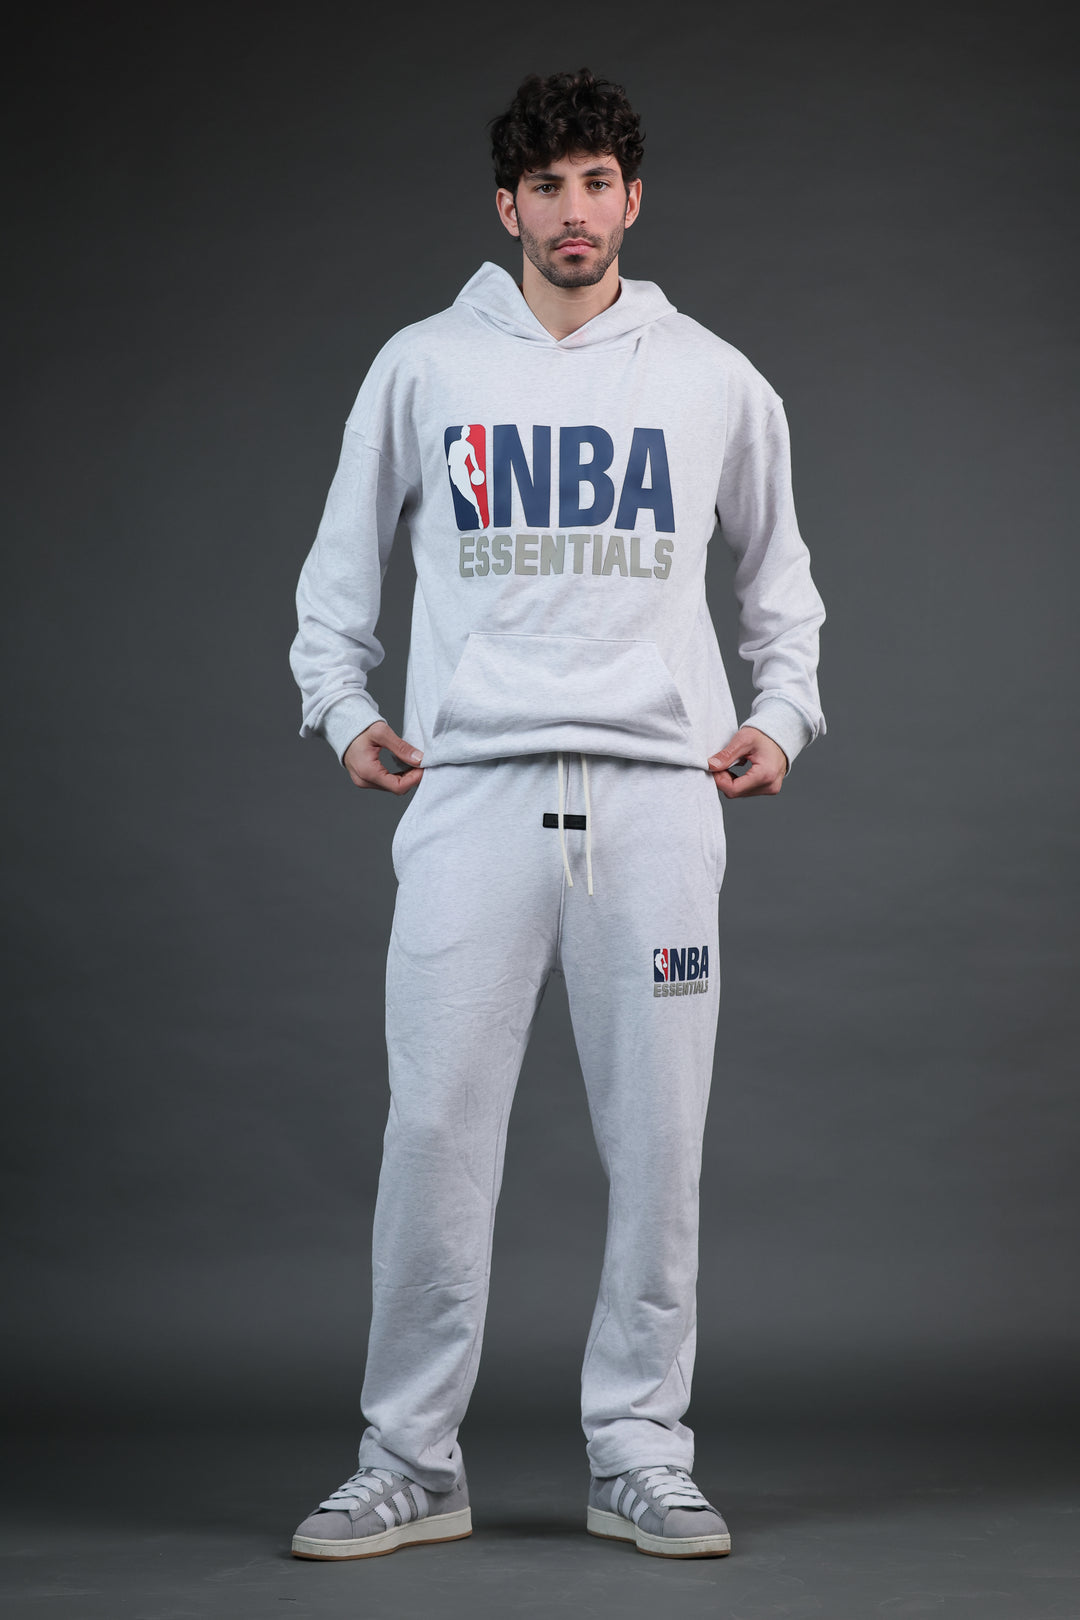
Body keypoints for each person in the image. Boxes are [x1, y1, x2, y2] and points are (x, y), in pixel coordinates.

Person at [288, 67, 825, 1562]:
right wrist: (343, 707)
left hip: (656, 805)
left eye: (597, 184)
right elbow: (337, 577)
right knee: (433, 1133)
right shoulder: (423, 368)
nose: (573, 212)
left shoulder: (712, 378)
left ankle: (642, 1450)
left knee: (659, 1145)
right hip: (472, 798)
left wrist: (781, 715)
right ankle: (408, 1460)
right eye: (547, 188)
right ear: (506, 206)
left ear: (632, 198)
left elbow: (783, 584)